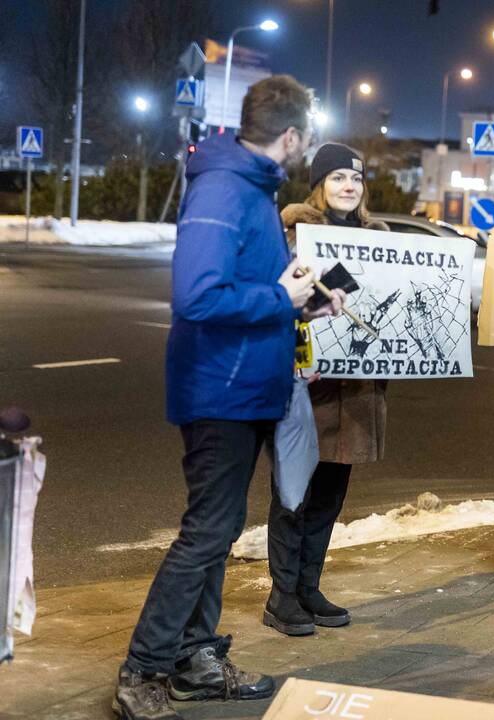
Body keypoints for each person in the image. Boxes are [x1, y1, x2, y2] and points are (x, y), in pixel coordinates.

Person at [114, 76, 344, 720]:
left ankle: (194, 660)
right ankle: (145, 667)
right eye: (308, 139)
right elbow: (196, 296)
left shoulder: (251, 189)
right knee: (207, 531)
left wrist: (304, 304)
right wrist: (281, 299)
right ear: (292, 135)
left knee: (217, 532)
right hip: (219, 387)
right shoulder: (223, 188)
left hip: (244, 384)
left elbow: (253, 285)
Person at [264, 143, 391, 636]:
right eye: (337, 177)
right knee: (295, 492)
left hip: (356, 387)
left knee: (331, 494)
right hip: (307, 386)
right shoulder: (296, 237)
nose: (348, 186)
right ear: (319, 184)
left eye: (356, 179)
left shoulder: (380, 240)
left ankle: (308, 586)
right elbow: (283, 302)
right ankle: (282, 595)